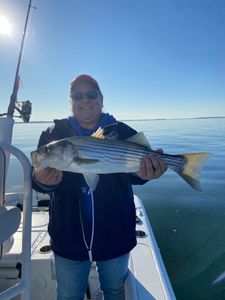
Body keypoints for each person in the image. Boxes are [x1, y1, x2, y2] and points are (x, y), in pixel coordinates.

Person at [32, 74, 167, 300]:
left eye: (91, 94)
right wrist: (40, 180)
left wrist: (145, 175)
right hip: (68, 238)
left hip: (115, 234)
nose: (85, 100)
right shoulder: (53, 134)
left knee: (114, 292)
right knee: (67, 295)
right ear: (71, 101)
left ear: (101, 98)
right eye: (77, 95)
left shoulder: (123, 132)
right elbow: (37, 174)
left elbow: (135, 175)